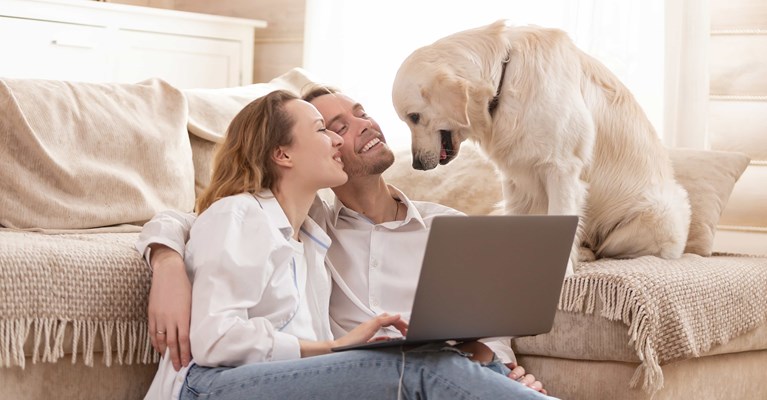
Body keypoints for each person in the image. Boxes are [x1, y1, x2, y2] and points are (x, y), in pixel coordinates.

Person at [141, 89, 552, 400]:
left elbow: (486, 330)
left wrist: (499, 370)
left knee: (449, 368)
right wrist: (166, 260)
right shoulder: (253, 215)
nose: (344, 137)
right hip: (212, 383)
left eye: (361, 114)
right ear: (283, 154)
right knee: (416, 366)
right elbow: (194, 223)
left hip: (322, 377)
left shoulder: (312, 234)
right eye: (329, 129)